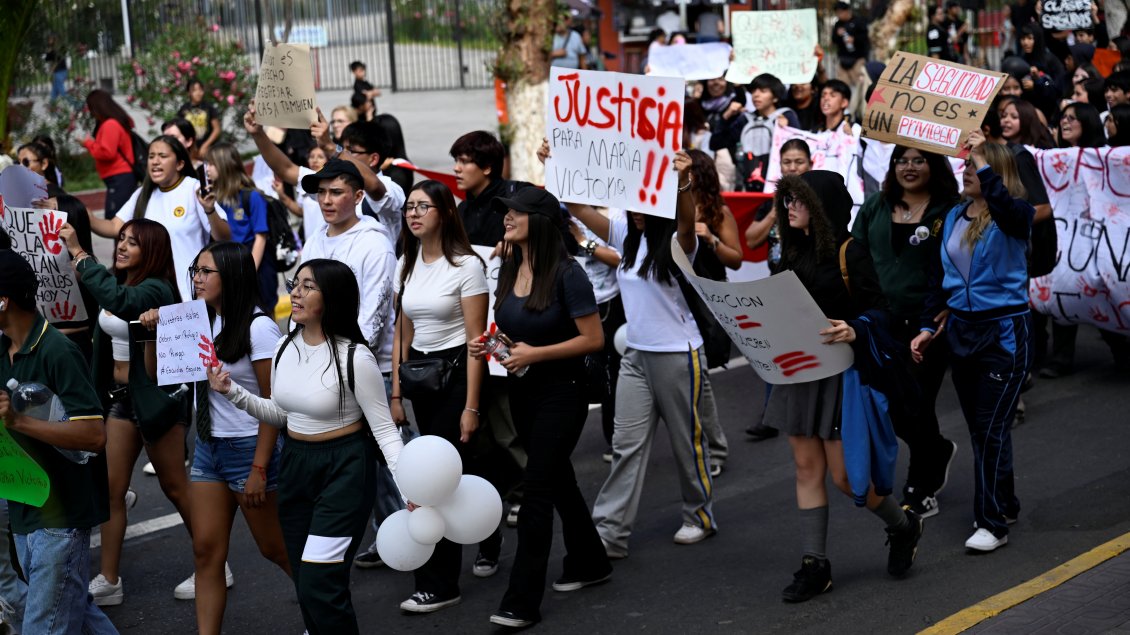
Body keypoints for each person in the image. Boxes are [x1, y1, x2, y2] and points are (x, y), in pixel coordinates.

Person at [208, 258, 405, 634]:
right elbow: (280, 413)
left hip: (345, 469)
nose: (295, 293)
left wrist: (410, 489)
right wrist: (232, 391)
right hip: (296, 464)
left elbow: (384, 431)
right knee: (304, 579)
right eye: (294, 284)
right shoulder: (285, 347)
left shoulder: (355, 357)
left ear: (332, 297)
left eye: (307, 286)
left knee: (321, 582)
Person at [767, 170, 923, 602]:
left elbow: (883, 310)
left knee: (845, 477)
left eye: (799, 200)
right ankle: (815, 565)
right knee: (806, 468)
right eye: (787, 200)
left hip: (840, 375)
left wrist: (856, 328)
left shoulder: (849, 251)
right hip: (799, 373)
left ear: (822, 206)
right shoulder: (790, 252)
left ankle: (903, 525)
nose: (790, 208)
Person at [555, 144, 718, 557]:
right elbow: (577, 207)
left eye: (646, 204)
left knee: (687, 444)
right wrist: (555, 163)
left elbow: (686, 220)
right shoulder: (625, 234)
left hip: (678, 355)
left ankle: (699, 515)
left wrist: (683, 181)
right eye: (633, 204)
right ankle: (610, 533)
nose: (638, 211)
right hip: (636, 356)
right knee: (625, 445)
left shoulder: (679, 242)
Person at [465, 187, 610, 629]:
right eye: (505, 212)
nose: (506, 218)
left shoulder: (568, 274)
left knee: (538, 490)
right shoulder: (511, 266)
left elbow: (594, 339)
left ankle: (522, 600)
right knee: (558, 479)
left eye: (516, 212)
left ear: (541, 221)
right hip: (522, 390)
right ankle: (591, 561)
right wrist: (494, 344)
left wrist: (536, 354)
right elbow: (516, 329)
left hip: (563, 393)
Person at [58, 219, 196, 605]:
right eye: (121, 239)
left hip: (156, 402)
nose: (121, 246)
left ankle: (213, 564)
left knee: (175, 488)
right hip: (120, 401)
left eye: (132, 243)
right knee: (112, 490)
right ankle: (109, 580)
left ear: (151, 252)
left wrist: (80, 253)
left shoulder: (157, 289)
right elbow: (105, 300)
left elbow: (120, 302)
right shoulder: (120, 283)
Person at [911, 132, 1033, 552]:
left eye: (975, 166)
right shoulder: (953, 216)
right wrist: (926, 325)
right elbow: (939, 280)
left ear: (996, 174)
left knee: (990, 428)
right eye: (965, 164)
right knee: (984, 430)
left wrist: (981, 155)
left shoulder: (1014, 214)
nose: (966, 170)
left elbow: (1006, 207)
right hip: (961, 333)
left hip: (1003, 333)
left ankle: (992, 523)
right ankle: (1006, 503)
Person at [163, 242, 288, 634]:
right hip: (208, 449)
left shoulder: (258, 328)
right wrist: (153, 331)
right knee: (206, 552)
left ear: (231, 276)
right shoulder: (200, 319)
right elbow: (163, 372)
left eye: (206, 272)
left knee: (276, 549)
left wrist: (259, 468)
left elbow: (273, 404)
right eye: (195, 271)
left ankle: (327, 614)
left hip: (248, 448)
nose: (197, 279)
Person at [0, 249, 117, 634]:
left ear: (3, 301)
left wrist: (19, 420)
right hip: (25, 510)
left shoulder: (57, 351)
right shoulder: (4, 351)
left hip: (60, 519)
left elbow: (93, 435)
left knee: (43, 627)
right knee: (79, 616)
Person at [391, 181, 494, 613]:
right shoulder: (405, 262)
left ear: (446, 212)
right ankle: (488, 531)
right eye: (409, 207)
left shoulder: (467, 266)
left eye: (423, 206)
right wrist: (396, 393)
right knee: (460, 467)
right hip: (421, 378)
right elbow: (402, 333)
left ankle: (439, 583)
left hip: (456, 377)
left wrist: (471, 406)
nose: (413, 214)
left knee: (436, 479)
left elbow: (476, 343)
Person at [851, 146, 961, 518]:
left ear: (934, 165)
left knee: (917, 403)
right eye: (902, 160)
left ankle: (920, 487)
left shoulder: (949, 211)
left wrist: (948, 305)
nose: (908, 167)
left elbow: (964, 262)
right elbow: (854, 255)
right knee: (893, 407)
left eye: (918, 160)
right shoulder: (875, 206)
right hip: (881, 323)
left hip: (928, 323)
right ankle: (937, 450)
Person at [86, 135, 231, 300]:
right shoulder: (143, 193)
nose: (155, 162)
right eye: (151, 156)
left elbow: (224, 237)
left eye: (162, 156)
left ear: (180, 164)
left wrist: (210, 210)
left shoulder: (193, 189)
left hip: (190, 294)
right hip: (152, 295)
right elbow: (114, 227)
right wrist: (84, 215)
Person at [1043, 102, 1130, 373]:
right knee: (1064, 288)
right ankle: (1061, 359)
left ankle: (1121, 352)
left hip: (1101, 237)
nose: (1065, 122)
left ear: (1088, 122)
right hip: (1067, 237)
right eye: (1063, 117)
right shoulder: (1054, 157)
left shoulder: (1107, 156)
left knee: (1102, 291)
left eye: (1072, 118)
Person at [744, 139, 815, 442]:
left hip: (809, 288)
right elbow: (751, 240)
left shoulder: (820, 198)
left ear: (810, 164)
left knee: (809, 355)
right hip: (776, 288)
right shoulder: (772, 203)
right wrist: (775, 211)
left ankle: (812, 415)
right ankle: (771, 415)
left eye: (799, 162)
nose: (793, 167)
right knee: (774, 354)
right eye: (787, 162)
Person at [202, 142, 277, 313]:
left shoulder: (251, 196)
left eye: (211, 164)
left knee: (264, 315)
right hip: (231, 264)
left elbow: (261, 237)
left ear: (225, 164)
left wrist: (248, 273)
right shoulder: (214, 199)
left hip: (255, 265)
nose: (207, 169)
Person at [710, 73, 799, 192]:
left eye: (763, 91)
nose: (756, 95)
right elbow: (715, 143)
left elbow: (798, 150)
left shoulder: (786, 116)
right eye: (753, 91)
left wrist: (786, 132)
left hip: (776, 187)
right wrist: (725, 117)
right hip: (747, 187)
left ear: (775, 97)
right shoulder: (745, 120)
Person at [82, 89, 138, 220]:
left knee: (115, 219)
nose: (91, 113)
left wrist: (88, 144)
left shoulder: (110, 124)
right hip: (121, 177)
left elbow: (107, 153)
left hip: (120, 177)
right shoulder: (114, 122)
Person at [177, 79, 222, 156]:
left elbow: (217, 129)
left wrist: (205, 146)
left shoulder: (209, 107)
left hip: (208, 149)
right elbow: (180, 130)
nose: (198, 93)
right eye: (194, 90)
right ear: (189, 93)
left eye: (200, 90)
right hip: (190, 150)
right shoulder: (184, 109)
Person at [831, 2, 870, 85]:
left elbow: (865, 38)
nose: (839, 15)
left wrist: (854, 39)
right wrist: (837, 34)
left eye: (840, 12)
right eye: (837, 13)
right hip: (843, 60)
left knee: (861, 85)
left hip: (858, 59)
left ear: (847, 11)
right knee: (842, 86)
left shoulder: (858, 21)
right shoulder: (838, 24)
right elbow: (834, 40)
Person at [45, 35, 68, 102]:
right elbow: (47, 59)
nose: (49, 41)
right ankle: (52, 103)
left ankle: (67, 102)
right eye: (49, 40)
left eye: (51, 39)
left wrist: (53, 67)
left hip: (61, 70)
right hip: (56, 71)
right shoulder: (50, 48)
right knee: (55, 89)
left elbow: (61, 58)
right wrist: (48, 52)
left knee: (60, 87)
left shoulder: (61, 47)